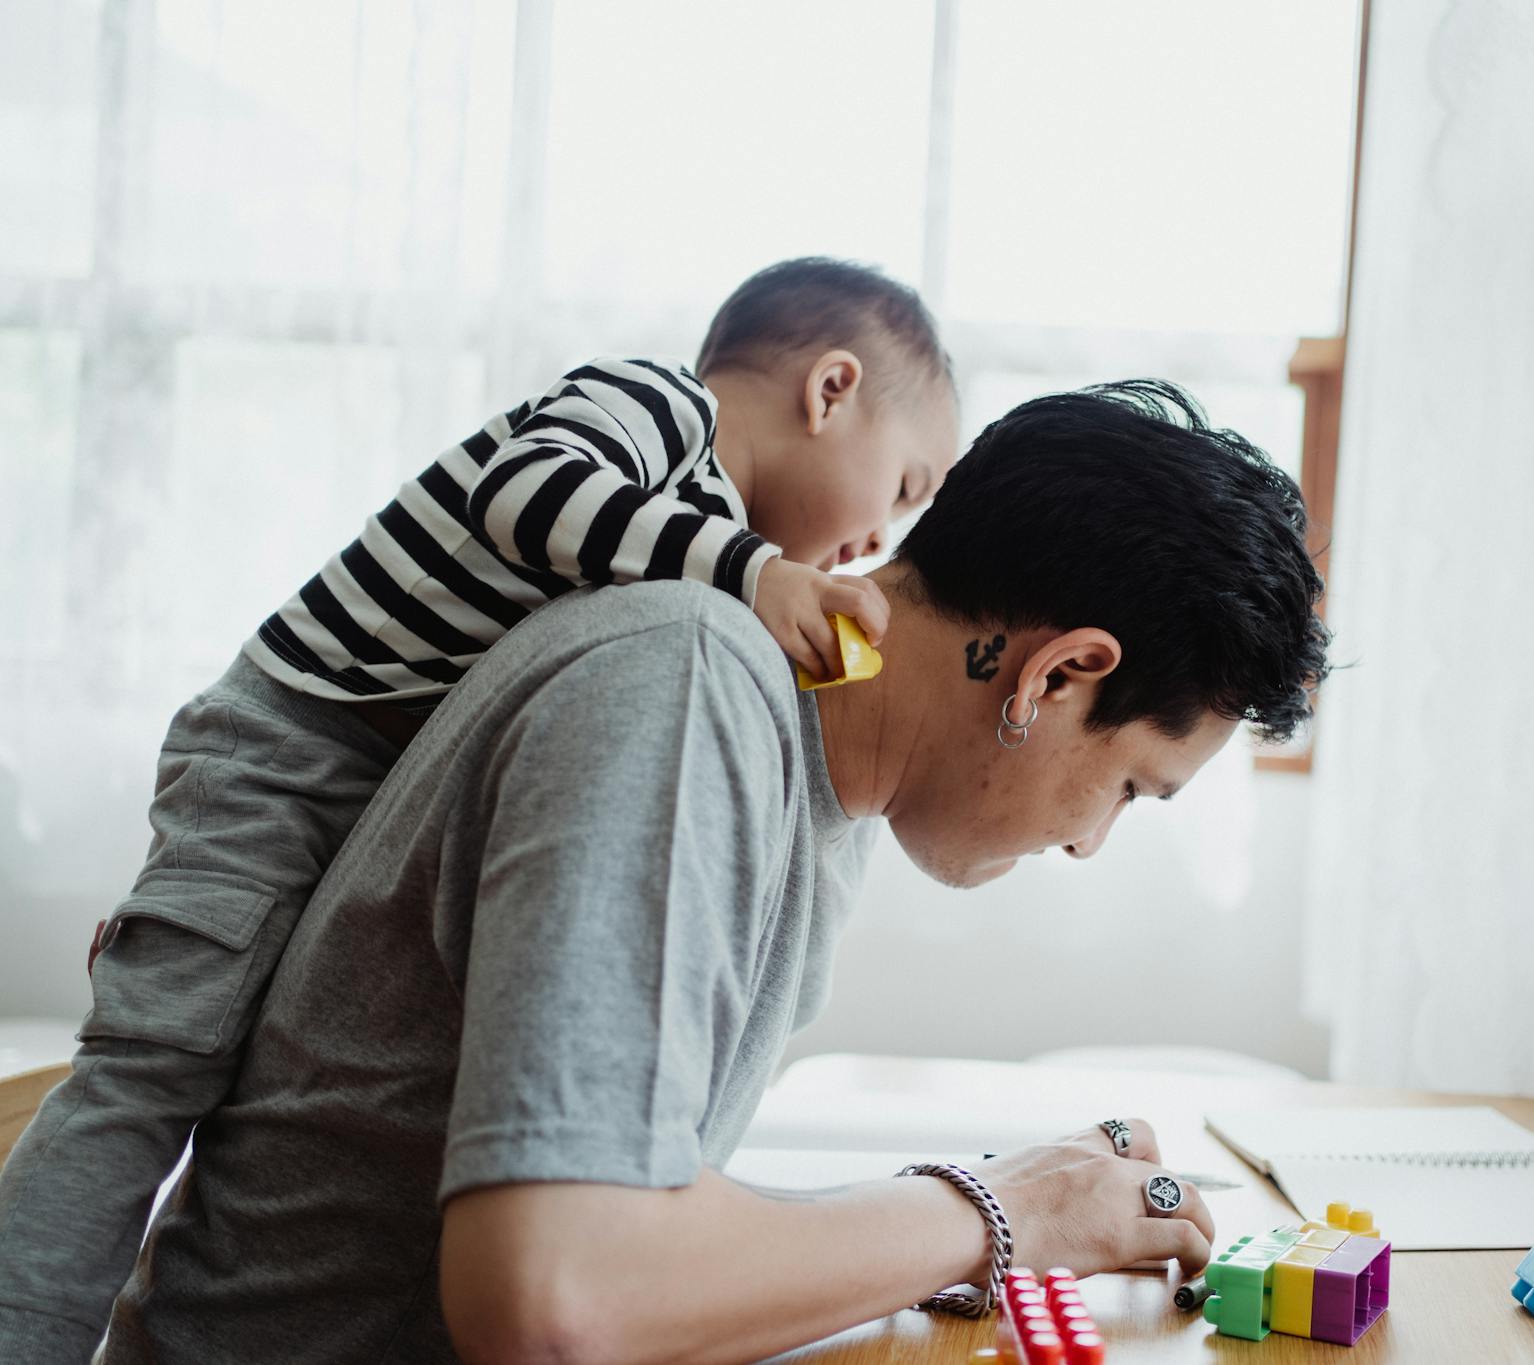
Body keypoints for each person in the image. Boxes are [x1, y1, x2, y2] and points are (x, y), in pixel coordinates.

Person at [88, 379, 1330, 1364]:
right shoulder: (685, 691)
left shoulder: (822, 785)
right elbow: (559, 1306)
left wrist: (992, 1213)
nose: (1086, 842)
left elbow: (638, 1221)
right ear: (1056, 674)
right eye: (1126, 790)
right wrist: (1001, 1214)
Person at [0, 258, 960, 1363]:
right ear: (829, 390)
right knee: (149, 1073)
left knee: (252, 1056)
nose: (874, 546)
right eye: (899, 489)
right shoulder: (655, 408)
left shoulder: (689, 556)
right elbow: (525, 495)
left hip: (362, 784)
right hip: (285, 750)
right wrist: (752, 572)